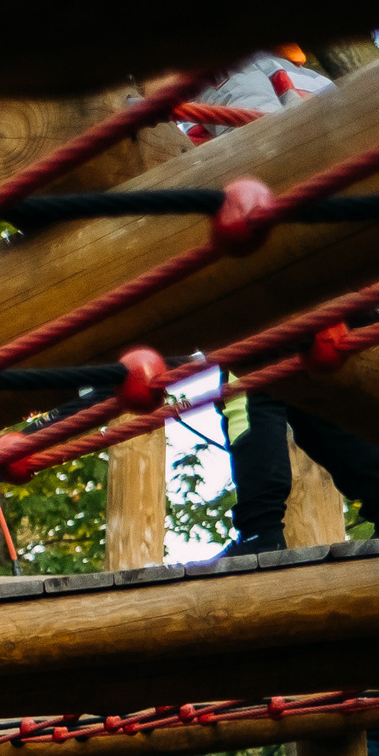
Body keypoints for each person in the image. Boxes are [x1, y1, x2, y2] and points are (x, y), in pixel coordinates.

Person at [192, 49, 379, 554]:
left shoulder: (221, 79)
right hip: (350, 256)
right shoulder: (308, 78)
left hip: (288, 260)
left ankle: (259, 529)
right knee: (323, 404)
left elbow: (259, 155)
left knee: (250, 393)